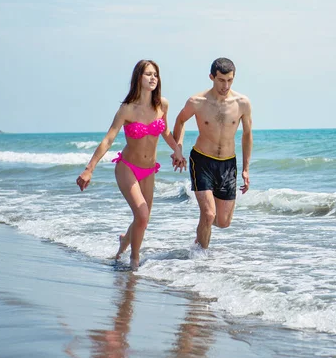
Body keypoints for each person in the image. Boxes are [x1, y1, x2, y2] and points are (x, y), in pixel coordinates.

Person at [76, 59, 186, 270]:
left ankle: (124, 242)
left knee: (142, 218)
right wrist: (89, 169)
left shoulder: (162, 104)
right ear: (138, 78)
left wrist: (177, 150)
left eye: (156, 74)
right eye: (148, 74)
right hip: (127, 168)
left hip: (149, 170)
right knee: (142, 215)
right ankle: (134, 262)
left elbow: (165, 132)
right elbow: (108, 139)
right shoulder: (127, 109)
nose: (153, 78)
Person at [172, 57, 253, 250]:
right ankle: (200, 260)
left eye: (230, 80)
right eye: (221, 80)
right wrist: (178, 148)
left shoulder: (242, 103)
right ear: (211, 77)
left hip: (228, 163)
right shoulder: (197, 101)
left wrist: (246, 168)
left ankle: (202, 228)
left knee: (223, 222)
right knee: (209, 214)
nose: (225, 85)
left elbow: (247, 135)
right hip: (201, 160)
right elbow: (180, 120)